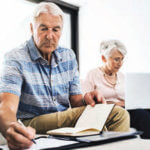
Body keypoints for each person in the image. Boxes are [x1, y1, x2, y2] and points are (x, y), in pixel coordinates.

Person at [0, 3, 129, 150]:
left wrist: (86, 98)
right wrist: (10, 127)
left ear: (61, 30)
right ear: (31, 28)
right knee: (116, 113)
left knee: (110, 117)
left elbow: (76, 102)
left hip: (62, 119)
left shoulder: (68, 56)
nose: (50, 36)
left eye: (55, 29)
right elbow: (7, 105)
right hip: (30, 122)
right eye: (43, 29)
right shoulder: (15, 58)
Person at [82, 39, 150, 139]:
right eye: (116, 59)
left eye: (122, 59)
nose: (120, 63)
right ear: (104, 58)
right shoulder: (92, 74)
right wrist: (115, 104)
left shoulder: (122, 76)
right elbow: (87, 101)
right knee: (141, 115)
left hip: (126, 109)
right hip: (108, 113)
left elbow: (130, 98)